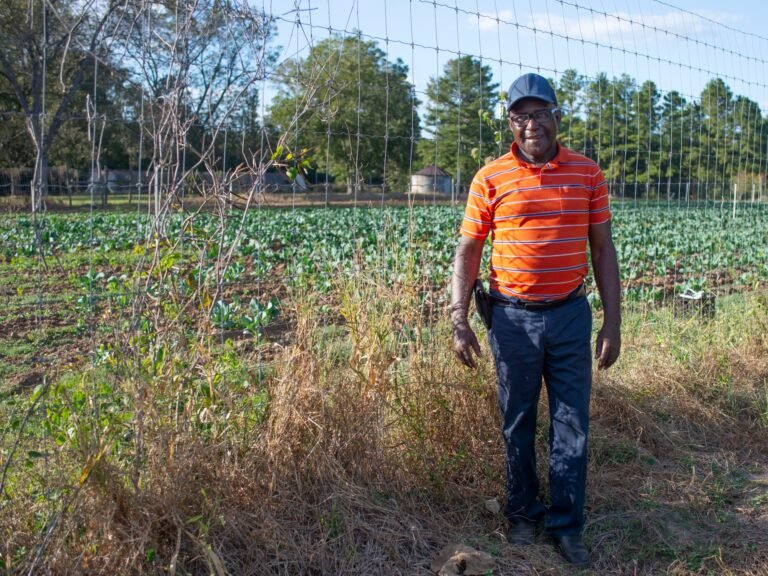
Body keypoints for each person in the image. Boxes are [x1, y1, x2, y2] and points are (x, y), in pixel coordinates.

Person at [450, 72, 621, 567]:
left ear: (556, 117)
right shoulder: (490, 177)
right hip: (511, 320)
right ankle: (524, 514)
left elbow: (603, 249)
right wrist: (459, 317)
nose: (531, 124)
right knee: (518, 421)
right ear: (510, 122)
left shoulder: (588, 173)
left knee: (571, 425)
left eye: (540, 113)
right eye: (521, 115)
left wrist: (612, 321)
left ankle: (567, 525)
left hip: (569, 315)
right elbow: (468, 250)